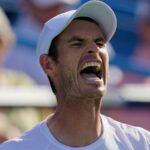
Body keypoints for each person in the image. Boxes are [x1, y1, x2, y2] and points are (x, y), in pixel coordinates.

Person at [1, 1, 150, 150]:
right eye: (77, 43)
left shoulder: (142, 143)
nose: (94, 49)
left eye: (100, 43)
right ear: (48, 64)